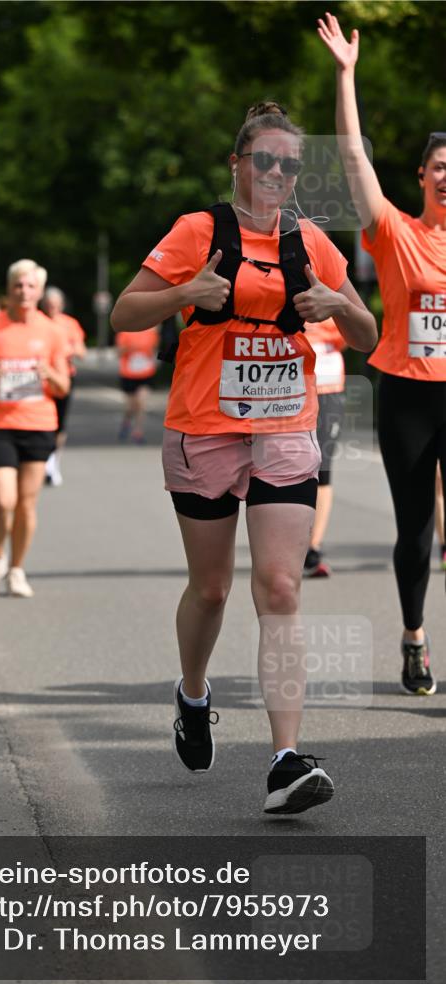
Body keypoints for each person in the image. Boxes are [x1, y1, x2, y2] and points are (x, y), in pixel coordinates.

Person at [111, 101, 377, 814]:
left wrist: (336, 304)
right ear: (237, 164)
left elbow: (365, 329)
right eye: (263, 160)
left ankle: (285, 761)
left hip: (286, 427)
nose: (276, 173)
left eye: (288, 164)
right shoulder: (197, 232)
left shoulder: (311, 240)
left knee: (280, 589)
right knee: (211, 589)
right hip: (204, 427)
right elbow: (123, 314)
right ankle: (192, 692)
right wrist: (183, 294)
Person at [318, 12, 446, 695]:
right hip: (406, 393)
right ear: (422, 176)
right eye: (438, 167)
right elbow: (351, 159)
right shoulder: (395, 232)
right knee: (414, 529)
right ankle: (414, 637)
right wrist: (346, 76)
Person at [0, 260, 70, 598]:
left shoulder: (52, 330)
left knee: (26, 503)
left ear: (38, 291)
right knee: (3, 498)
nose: (23, 292)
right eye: (17, 286)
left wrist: (47, 374)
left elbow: (63, 386)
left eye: (29, 286)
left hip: (38, 425)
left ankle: (17, 570)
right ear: (9, 290)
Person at [303, 317, 347, 577]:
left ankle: (313, 548)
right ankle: (286, 544)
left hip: (328, 387)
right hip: (287, 388)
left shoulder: (336, 283)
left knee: (323, 469)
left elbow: (352, 333)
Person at [41, 286, 88, 485]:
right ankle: (42, 459)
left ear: (61, 305)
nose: (52, 307)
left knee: (59, 423)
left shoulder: (70, 324)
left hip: (63, 377)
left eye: (55, 304)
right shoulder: (38, 322)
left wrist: (66, 349)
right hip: (41, 379)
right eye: (48, 304)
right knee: (43, 419)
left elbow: (81, 352)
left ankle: (53, 461)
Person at [115, 326, 161, 443]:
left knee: (141, 402)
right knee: (130, 406)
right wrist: (130, 348)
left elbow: (155, 349)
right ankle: (126, 422)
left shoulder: (152, 333)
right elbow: (118, 353)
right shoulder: (125, 332)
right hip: (128, 374)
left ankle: (138, 432)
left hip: (146, 373)